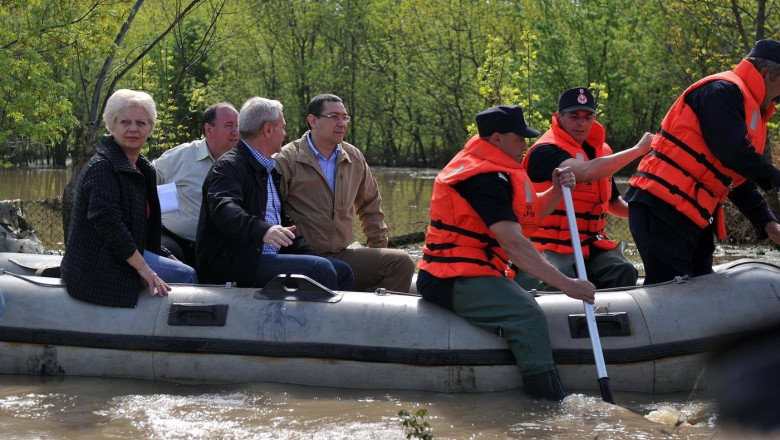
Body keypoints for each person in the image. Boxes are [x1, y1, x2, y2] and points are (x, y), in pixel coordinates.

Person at [416, 105, 596, 400]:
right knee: (527, 315)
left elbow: (529, 218)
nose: (525, 145)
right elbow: (513, 242)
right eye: (519, 138)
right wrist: (568, 285)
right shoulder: (481, 178)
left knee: (536, 287)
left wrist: (555, 189)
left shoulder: (496, 172)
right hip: (449, 276)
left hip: (476, 269)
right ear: (497, 139)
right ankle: (548, 405)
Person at [625, 39, 780, 285]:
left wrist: (769, 223)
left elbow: (736, 178)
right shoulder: (722, 91)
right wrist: (774, 176)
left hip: (692, 215)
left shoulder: (750, 109)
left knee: (700, 288)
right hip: (660, 207)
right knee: (673, 291)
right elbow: (732, 153)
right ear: (766, 74)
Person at [196, 97, 354, 290]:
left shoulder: (268, 169)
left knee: (342, 271)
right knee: (320, 270)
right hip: (232, 265)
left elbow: (284, 226)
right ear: (268, 129)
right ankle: (316, 321)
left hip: (262, 259)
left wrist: (310, 254)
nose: (285, 134)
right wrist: (263, 230)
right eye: (283, 127)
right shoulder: (229, 166)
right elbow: (223, 209)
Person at [61, 89, 198, 308]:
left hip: (124, 252)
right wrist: (144, 268)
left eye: (141, 123)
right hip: (100, 261)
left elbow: (140, 228)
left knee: (183, 265)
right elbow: (110, 226)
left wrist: (165, 256)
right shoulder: (102, 168)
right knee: (187, 275)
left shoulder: (144, 169)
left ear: (150, 129)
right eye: (125, 122)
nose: (133, 128)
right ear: (111, 126)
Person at [275, 93, 415, 292]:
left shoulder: (354, 157)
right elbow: (269, 212)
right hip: (300, 258)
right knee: (327, 272)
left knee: (401, 263)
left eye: (344, 117)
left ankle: (378, 320)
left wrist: (377, 253)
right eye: (334, 117)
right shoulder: (286, 159)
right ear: (312, 120)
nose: (342, 123)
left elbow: (371, 207)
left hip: (340, 255)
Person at [518, 87, 653, 290]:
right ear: (559, 117)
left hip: (590, 244)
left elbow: (612, 203)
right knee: (559, 278)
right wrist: (638, 150)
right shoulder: (544, 151)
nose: (582, 122)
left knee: (623, 270)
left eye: (588, 116)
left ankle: (611, 317)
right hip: (549, 245)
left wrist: (646, 212)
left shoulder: (602, 152)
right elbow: (587, 172)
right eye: (574, 116)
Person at [153, 103, 239, 270]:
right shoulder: (180, 157)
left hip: (219, 246)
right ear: (209, 130)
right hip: (175, 240)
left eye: (238, 126)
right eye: (229, 126)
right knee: (168, 265)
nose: (236, 132)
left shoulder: (243, 163)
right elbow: (145, 183)